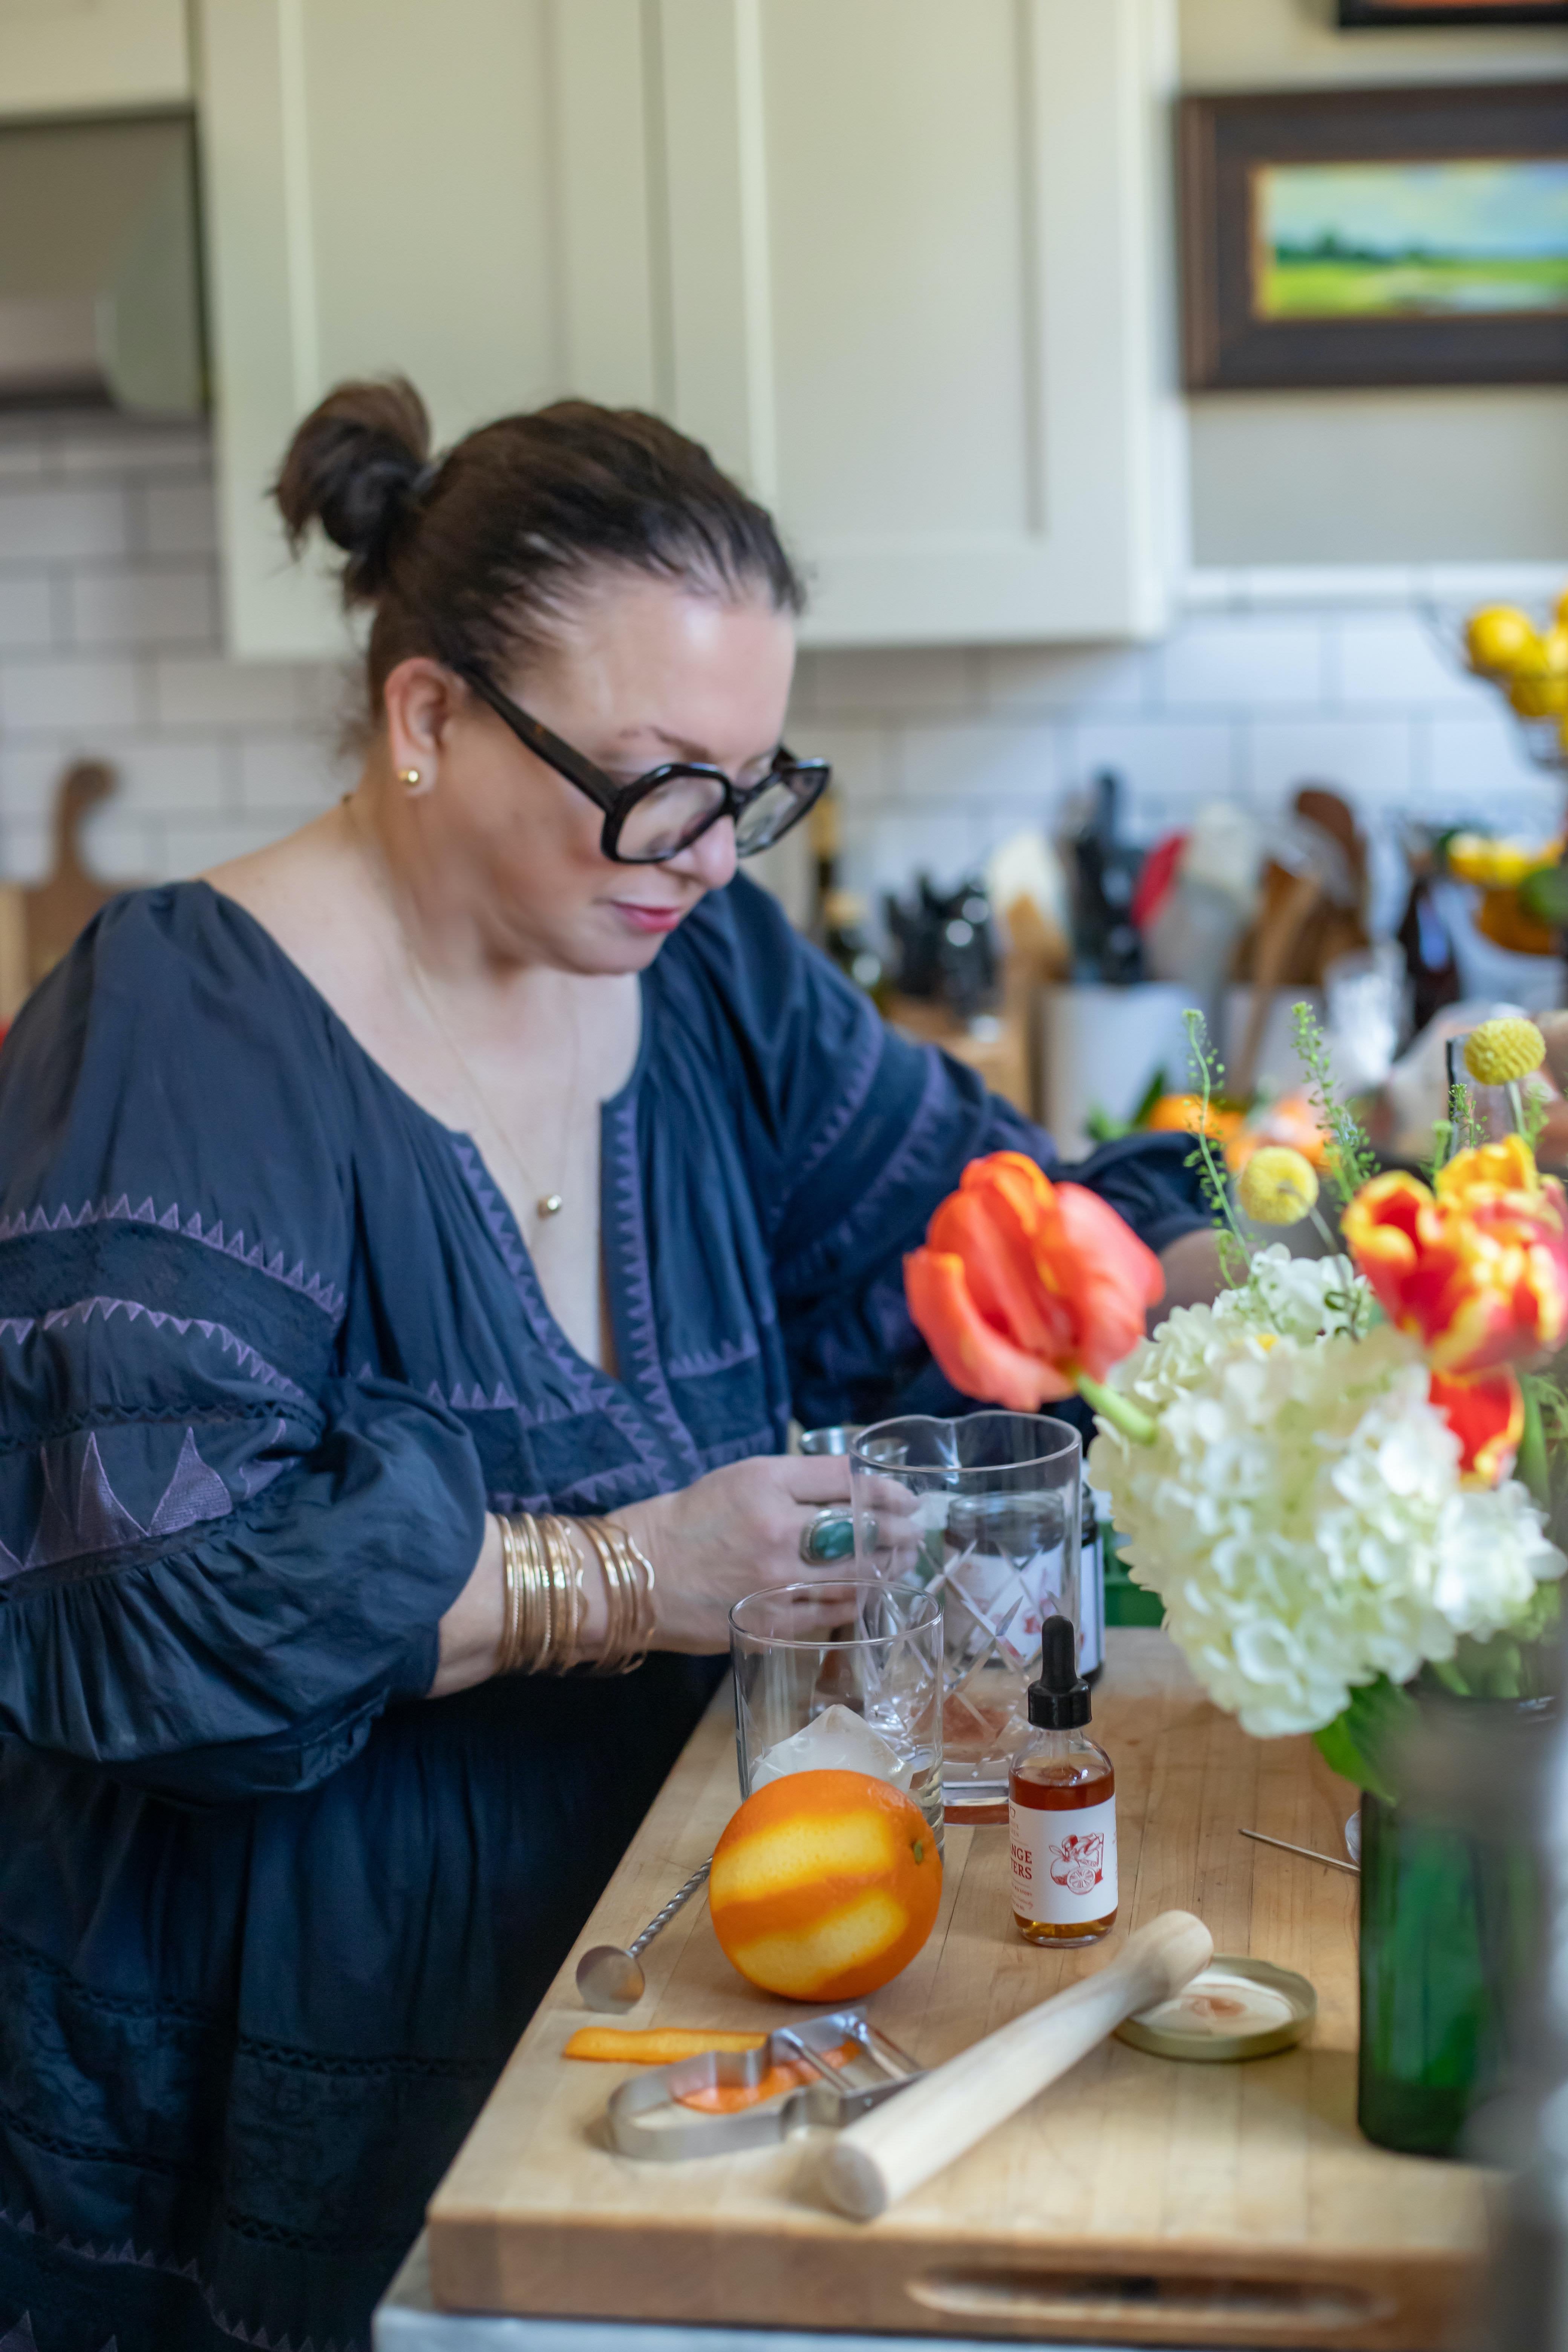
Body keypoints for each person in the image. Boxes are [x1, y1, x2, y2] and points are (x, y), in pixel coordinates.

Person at [0, 380, 1217, 2352]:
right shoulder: (184, 1030)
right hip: (292, 2040)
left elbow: (979, 1216)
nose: (713, 856)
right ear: (428, 719)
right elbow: (148, 1601)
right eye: (660, 782)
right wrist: (632, 1575)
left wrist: (1293, 1280)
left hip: (659, 1958)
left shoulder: (694, 965)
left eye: (752, 788)